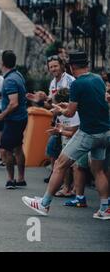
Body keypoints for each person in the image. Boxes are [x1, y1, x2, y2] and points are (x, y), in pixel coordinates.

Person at [23, 52, 110, 219]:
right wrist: (66, 105)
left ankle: (44, 203)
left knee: (60, 164)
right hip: (105, 131)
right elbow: (92, 103)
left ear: (72, 67)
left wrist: (60, 109)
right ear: (87, 64)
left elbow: (70, 113)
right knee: (99, 171)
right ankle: (105, 208)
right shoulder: (98, 79)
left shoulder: (77, 84)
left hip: (88, 132)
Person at [27, 55, 75, 183]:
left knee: (66, 155)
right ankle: (56, 177)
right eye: (51, 67)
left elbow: (69, 102)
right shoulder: (53, 82)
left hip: (70, 122)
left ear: (62, 66)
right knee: (53, 150)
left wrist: (49, 102)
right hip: (58, 122)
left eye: (55, 66)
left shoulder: (69, 80)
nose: (53, 69)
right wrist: (41, 101)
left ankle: (67, 186)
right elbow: (51, 104)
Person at [0, 50, 28, 189]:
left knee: (5, 150)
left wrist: (2, 115)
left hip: (14, 119)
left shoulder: (9, 80)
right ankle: (21, 178)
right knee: (18, 147)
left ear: (2, 63)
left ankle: (10, 179)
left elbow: (14, 102)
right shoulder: (18, 75)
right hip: (21, 117)